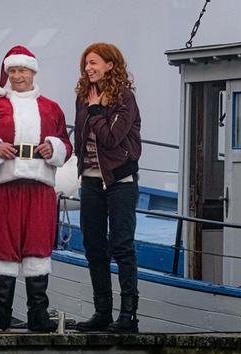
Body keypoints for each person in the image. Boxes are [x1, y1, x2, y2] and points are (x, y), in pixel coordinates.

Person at [0, 45, 72, 332]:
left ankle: (38, 313)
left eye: (23, 70)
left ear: (33, 72)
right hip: (5, 184)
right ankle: (0, 312)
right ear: (7, 74)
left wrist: (53, 147)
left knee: (37, 244)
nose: (18, 76)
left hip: (40, 186)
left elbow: (66, 145)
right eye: (13, 71)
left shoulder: (51, 108)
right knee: (3, 243)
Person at [73, 43, 142, 333]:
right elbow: (80, 136)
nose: (88, 68)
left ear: (110, 65)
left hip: (119, 181)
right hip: (89, 179)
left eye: (94, 63)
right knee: (93, 246)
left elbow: (113, 138)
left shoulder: (124, 97)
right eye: (86, 63)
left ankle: (128, 316)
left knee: (122, 247)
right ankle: (102, 311)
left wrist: (97, 110)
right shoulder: (83, 96)